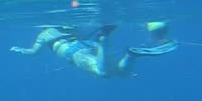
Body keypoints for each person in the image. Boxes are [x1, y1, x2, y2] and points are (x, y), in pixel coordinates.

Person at [10, 22, 178, 77]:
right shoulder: (68, 26)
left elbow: (34, 52)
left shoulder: (44, 34)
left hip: (73, 53)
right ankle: (130, 54)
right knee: (120, 72)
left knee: (102, 72)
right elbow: (82, 37)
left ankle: (106, 44)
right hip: (86, 46)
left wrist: (20, 50)